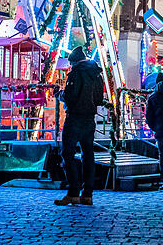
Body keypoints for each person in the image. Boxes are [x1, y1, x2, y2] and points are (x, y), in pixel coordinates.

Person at [54, 46, 104, 206]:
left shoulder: (76, 73)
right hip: (90, 118)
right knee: (88, 154)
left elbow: (70, 96)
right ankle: (87, 194)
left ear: (74, 61)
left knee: (67, 153)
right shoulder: (96, 74)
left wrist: (59, 94)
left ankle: (73, 191)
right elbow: (98, 99)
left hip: (75, 117)